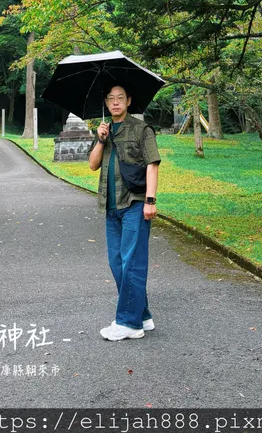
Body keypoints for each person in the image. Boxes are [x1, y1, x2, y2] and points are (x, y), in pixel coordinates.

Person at [88, 82, 161, 340]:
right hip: (111, 205)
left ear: (129, 101)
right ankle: (142, 315)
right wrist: (100, 140)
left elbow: (153, 164)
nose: (115, 102)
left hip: (135, 203)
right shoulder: (104, 131)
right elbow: (93, 165)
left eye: (120, 97)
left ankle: (129, 323)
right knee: (117, 262)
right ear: (106, 103)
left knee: (133, 261)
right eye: (110, 98)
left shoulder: (141, 129)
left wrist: (150, 200)